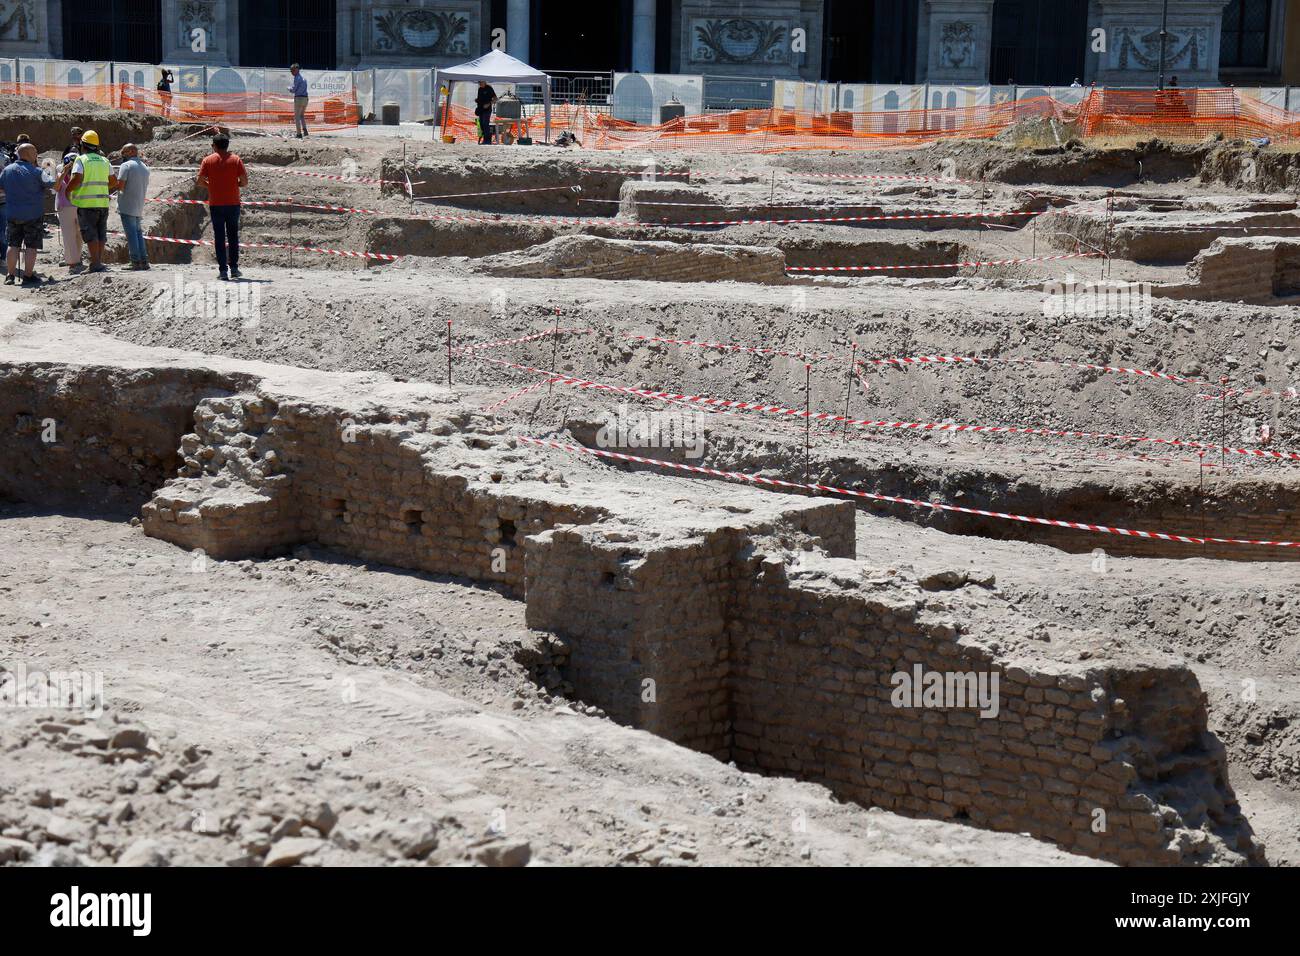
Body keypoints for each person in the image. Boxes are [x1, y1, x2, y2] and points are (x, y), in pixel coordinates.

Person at [1, 142, 53, 287]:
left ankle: (10, 276)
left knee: (13, 244)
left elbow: (1, 188)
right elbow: (52, 183)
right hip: (33, 215)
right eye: (35, 151)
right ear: (30, 154)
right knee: (31, 246)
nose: (37, 154)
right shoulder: (37, 171)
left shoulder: (7, 170)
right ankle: (28, 275)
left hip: (12, 214)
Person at [197, 133, 247, 280]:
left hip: (216, 204)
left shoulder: (207, 160)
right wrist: (234, 184)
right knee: (233, 236)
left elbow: (199, 181)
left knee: (219, 237)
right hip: (233, 203)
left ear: (214, 146)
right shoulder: (236, 159)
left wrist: (211, 186)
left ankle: (223, 271)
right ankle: (234, 268)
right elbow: (244, 181)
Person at [66, 129, 113, 273]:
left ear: (83, 145)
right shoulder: (105, 161)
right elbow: (113, 181)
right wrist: (100, 187)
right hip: (103, 204)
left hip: (87, 205)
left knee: (90, 234)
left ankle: (96, 263)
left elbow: (77, 178)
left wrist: (68, 191)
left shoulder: (82, 159)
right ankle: (97, 262)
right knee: (100, 233)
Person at [113, 143, 150, 271]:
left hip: (127, 205)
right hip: (138, 206)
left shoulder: (126, 166)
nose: (123, 156)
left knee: (131, 234)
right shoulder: (145, 167)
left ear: (132, 151)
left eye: (124, 152)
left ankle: (135, 261)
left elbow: (121, 186)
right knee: (138, 233)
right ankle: (144, 260)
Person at [55, 141, 84, 273]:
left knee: (79, 235)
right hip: (65, 206)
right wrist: (65, 171)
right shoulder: (59, 169)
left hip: (80, 204)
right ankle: (73, 263)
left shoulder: (82, 168)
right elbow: (56, 187)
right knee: (69, 235)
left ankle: (76, 259)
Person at [475, 80, 497, 145]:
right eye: (479, 82)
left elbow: (495, 98)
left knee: (485, 123)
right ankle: (485, 140)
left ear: (484, 82)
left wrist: (489, 104)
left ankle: (487, 140)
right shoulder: (479, 89)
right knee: (481, 124)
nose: (479, 84)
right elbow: (480, 99)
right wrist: (477, 100)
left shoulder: (489, 88)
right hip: (480, 109)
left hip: (487, 110)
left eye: (481, 82)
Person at [290, 64, 309, 138]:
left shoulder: (297, 78)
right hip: (305, 99)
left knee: (297, 117)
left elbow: (294, 90)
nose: (291, 72)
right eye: (291, 70)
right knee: (302, 115)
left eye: (293, 70)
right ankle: (305, 130)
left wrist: (289, 89)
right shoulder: (304, 78)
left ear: (297, 69)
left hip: (299, 98)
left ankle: (299, 134)